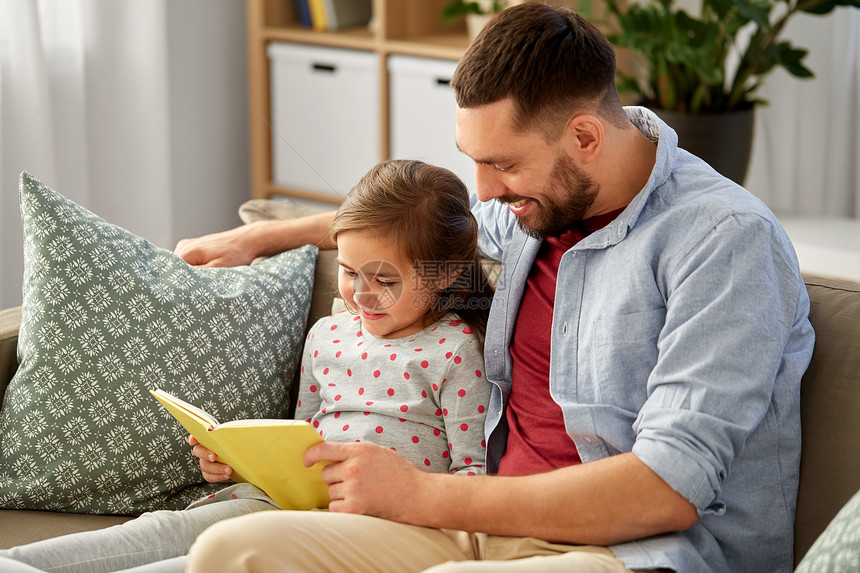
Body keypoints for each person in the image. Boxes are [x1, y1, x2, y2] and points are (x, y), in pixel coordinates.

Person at [178, 3, 815, 573]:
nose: (484, 189)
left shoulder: (726, 241)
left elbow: (667, 490)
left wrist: (421, 494)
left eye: (503, 164)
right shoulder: (532, 208)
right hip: (482, 527)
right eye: (474, 159)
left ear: (585, 138)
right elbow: (417, 227)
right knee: (233, 552)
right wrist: (263, 238)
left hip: (630, 552)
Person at [0, 160, 494, 573]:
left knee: (205, 560)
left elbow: (473, 474)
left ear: (444, 273)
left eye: (384, 279)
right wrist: (239, 459)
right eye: (347, 272)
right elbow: (298, 434)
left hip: (372, 520)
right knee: (162, 532)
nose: (361, 294)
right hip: (281, 500)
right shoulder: (328, 334)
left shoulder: (453, 350)